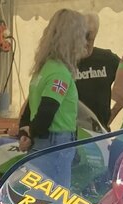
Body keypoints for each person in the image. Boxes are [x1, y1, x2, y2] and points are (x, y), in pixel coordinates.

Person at [15, 10, 101, 155]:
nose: (85, 43)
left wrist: (26, 133)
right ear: (74, 39)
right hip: (57, 144)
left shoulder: (43, 69)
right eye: (82, 37)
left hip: (43, 142)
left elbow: (28, 111)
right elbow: (47, 111)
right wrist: (32, 133)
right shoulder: (60, 73)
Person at [73, 12, 121, 125]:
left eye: (91, 38)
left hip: (100, 131)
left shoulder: (107, 59)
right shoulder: (65, 60)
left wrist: (113, 113)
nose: (86, 43)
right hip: (71, 130)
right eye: (84, 37)